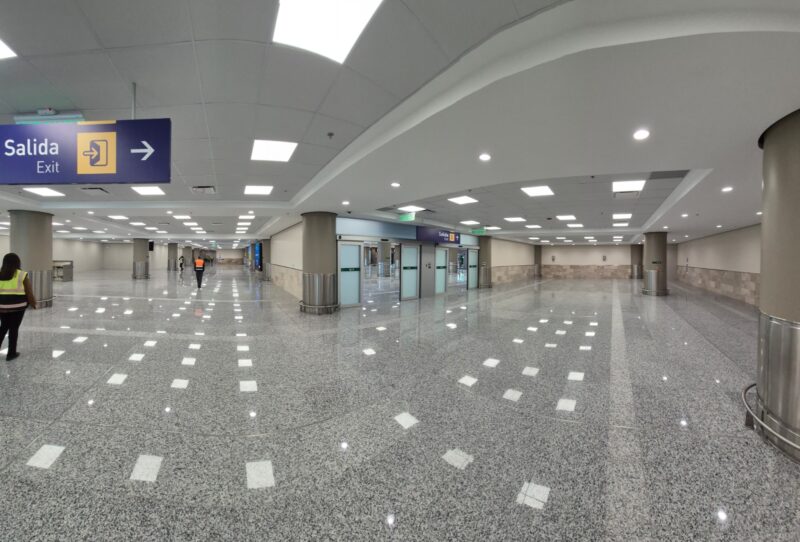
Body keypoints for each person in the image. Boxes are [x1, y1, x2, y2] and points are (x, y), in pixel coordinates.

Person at [0, 253, 37, 361]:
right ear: (17, 262)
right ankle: (11, 353)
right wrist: (33, 303)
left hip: (2, 307)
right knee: (14, 328)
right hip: (18, 307)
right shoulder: (22, 274)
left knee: (3, 327)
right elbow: (29, 292)